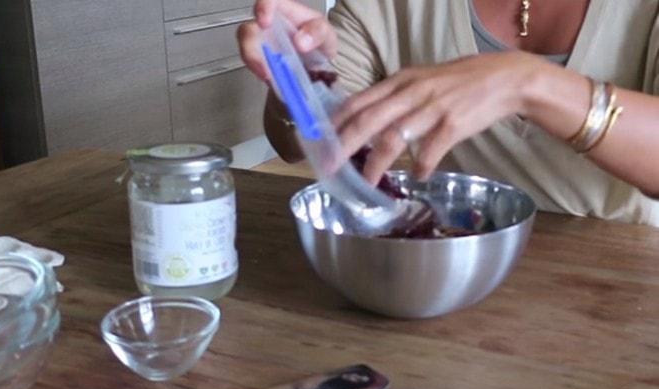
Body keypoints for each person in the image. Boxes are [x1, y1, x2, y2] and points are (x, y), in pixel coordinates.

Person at [237, 0, 659, 226]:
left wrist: (529, 84)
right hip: (452, 262)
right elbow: (295, 142)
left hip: (616, 278)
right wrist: (300, 74)